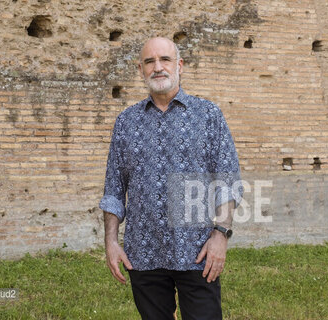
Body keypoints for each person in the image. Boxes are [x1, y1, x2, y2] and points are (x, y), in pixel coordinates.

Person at [99, 37, 242, 320]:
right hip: (143, 253)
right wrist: (111, 242)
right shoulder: (126, 122)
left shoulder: (208, 115)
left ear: (179, 65)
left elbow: (227, 182)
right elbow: (114, 189)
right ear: (140, 69)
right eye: (150, 62)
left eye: (164, 59)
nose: (158, 67)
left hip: (197, 252)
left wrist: (221, 235)